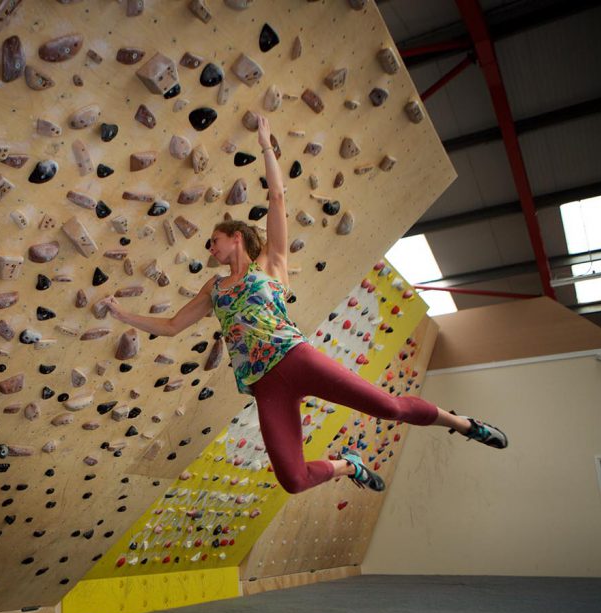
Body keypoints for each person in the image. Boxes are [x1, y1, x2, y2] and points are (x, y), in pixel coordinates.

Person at [101, 113, 508, 494]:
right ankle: (348, 466)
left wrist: (266, 147)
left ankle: (461, 422)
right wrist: (121, 314)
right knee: (293, 480)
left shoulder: (271, 264)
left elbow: (277, 198)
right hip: (264, 385)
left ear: (235, 237)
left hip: (295, 357)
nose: (210, 246)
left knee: (388, 407)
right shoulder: (215, 288)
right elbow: (172, 325)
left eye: (214, 239)